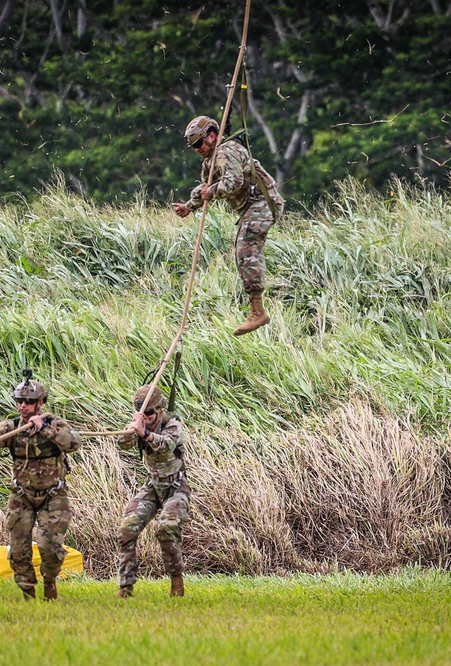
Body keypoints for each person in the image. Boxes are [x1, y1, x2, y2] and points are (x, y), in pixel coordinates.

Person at [173, 115, 285, 336]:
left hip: (263, 202)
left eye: (199, 144)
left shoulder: (227, 151)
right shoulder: (211, 160)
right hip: (250, 208)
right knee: (242, 249)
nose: (197, 149)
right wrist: (189, 206)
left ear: (212, 136)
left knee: (246, 248)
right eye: (193, 146)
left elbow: (233, 183)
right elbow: (206, 187)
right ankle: (257, 309)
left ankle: (257, 311)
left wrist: (211, 192)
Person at [0, 371, 81, 601]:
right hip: (22, 495)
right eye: (20, 401)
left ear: (41, 403)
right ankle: (27, 591)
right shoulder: (13, 426)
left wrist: (43, 428)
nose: (23, 406)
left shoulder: (55, 423)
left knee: (49, 546)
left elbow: (73, 443)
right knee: (18, 549)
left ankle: (50, 582)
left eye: (30, 402)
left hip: (53, 495)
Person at [115, 385, 190, 598]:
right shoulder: (140, 425)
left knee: (166, 528)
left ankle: (176, 580)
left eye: (149, 413)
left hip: (175, 487)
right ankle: (126, 586)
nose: (146, 417)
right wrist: (133, 428)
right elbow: (123, 444)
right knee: (127, 529)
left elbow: (166, 445)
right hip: (152, 487)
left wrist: (145, 433)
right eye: (142, 412)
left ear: (159, 410)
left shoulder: (172, 425)